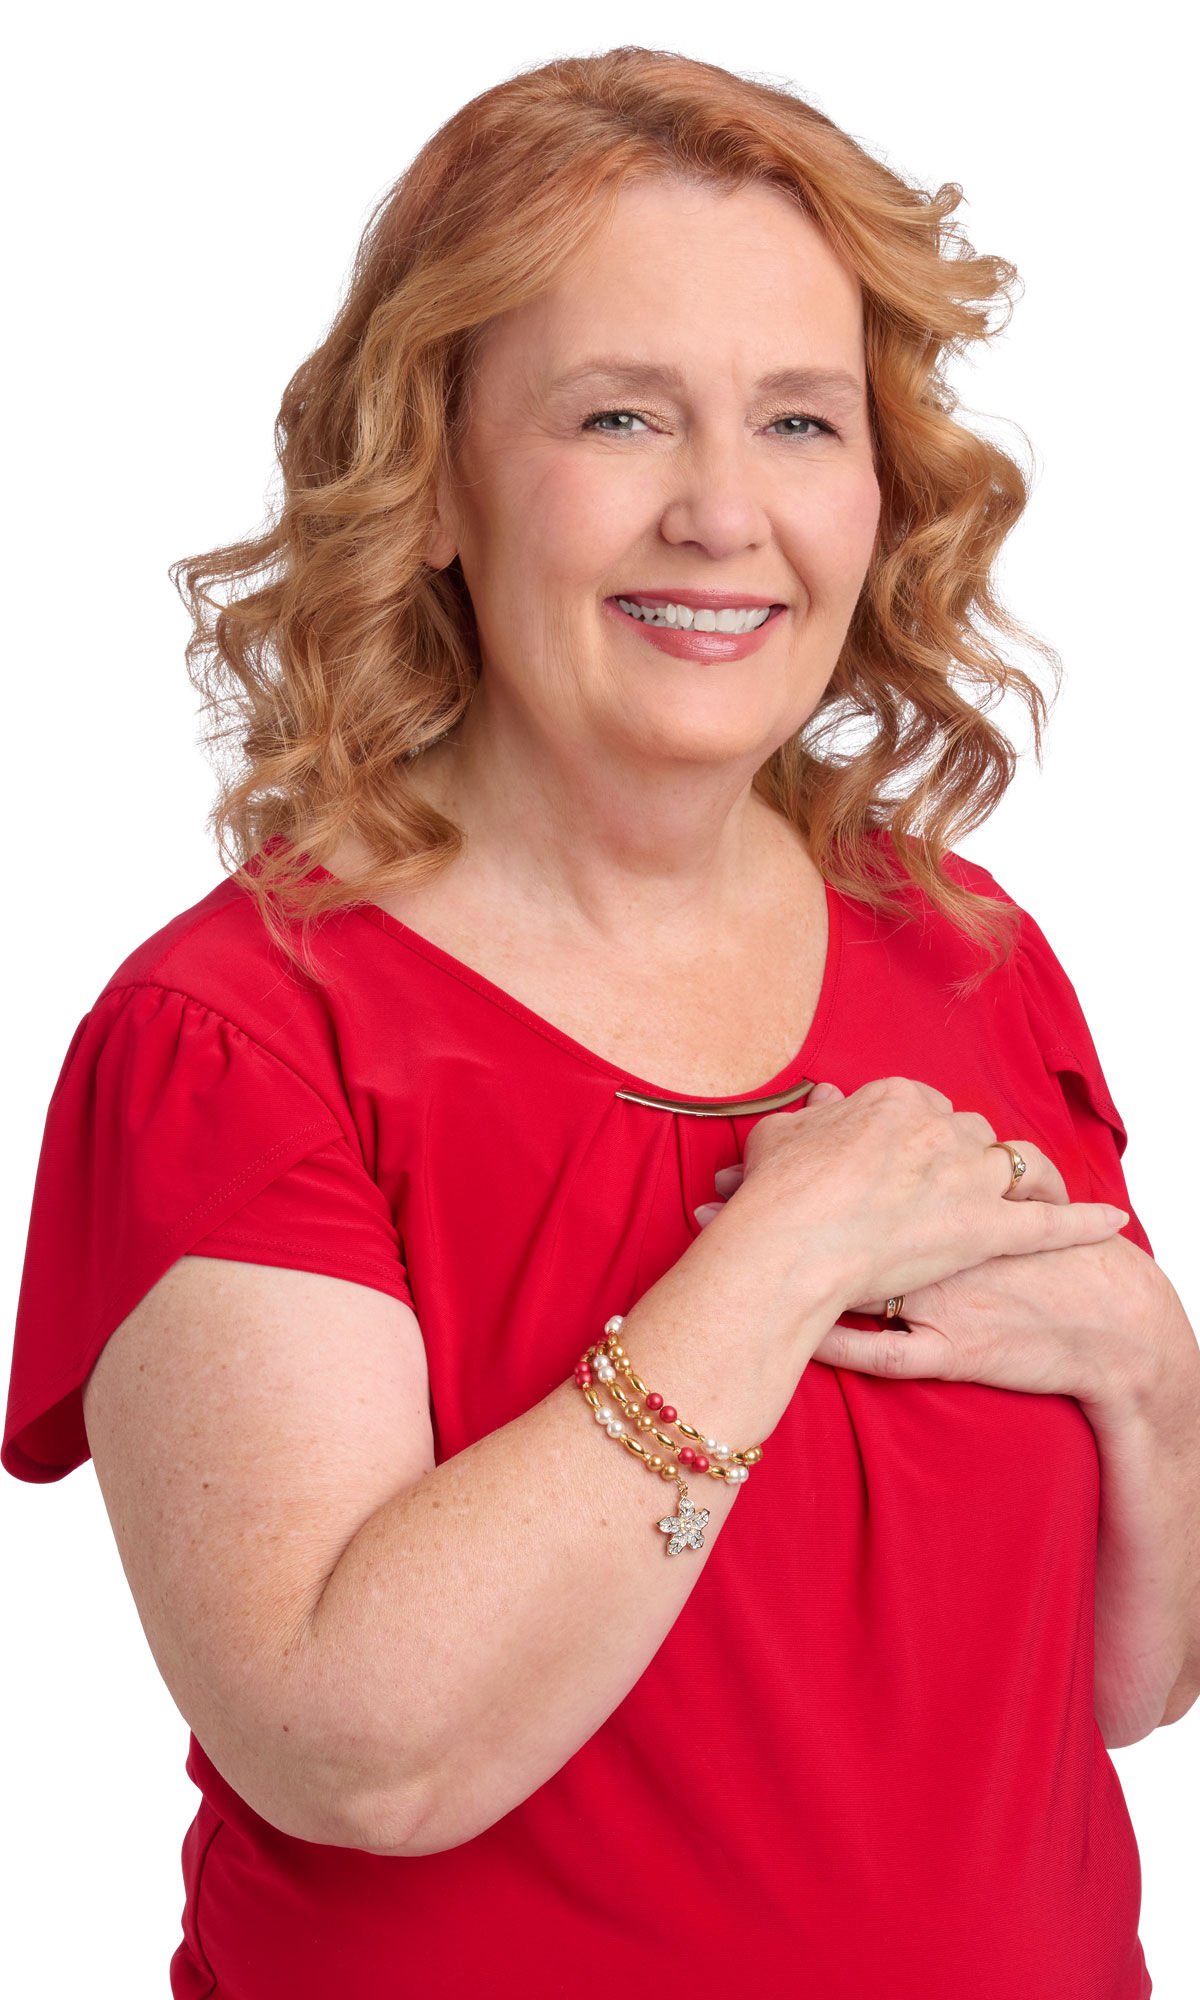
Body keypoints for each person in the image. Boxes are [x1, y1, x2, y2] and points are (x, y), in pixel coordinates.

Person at [3, 43, 1197, 2000]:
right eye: (622, 415)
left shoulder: (968, 958)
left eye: (801, 422)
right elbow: (355, 1747)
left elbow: (1126, 1677)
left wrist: (1152, 1375)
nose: (724, 513)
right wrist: (786, 1253)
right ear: (439, 478)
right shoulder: (242, 1033)